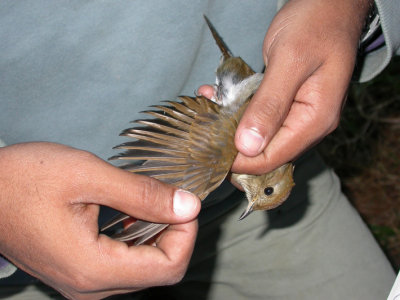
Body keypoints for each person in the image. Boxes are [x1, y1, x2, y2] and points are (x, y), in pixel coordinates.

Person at [0, 0, 398, 299]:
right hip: (29, 247)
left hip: (215, 212)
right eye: (265, 193)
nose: (256, 196)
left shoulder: (245, 166)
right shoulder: (219, 164)